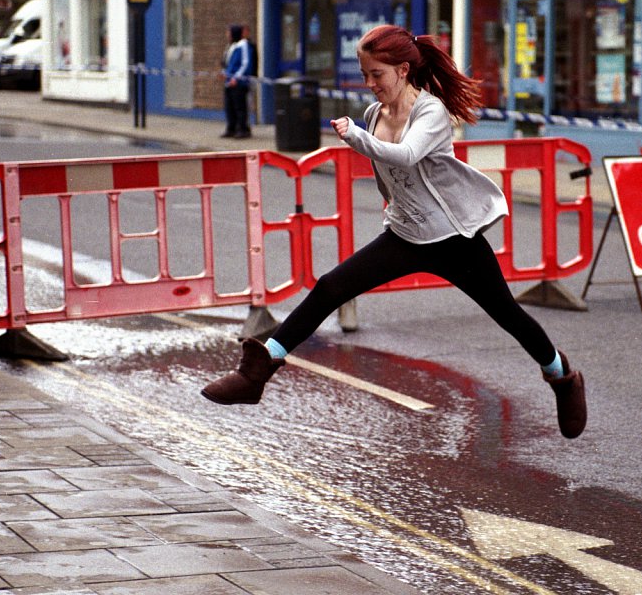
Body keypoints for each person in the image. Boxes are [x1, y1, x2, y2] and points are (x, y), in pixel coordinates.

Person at [201, 24, 587, 439]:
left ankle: (563, 377)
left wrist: (356, 139)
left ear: (403, 70)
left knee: (507, 314)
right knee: (331, 286)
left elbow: (404, 156)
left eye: (377, 75)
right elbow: (389, 177)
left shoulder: (431, 112)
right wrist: (391, 201)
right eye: (365, 75)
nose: (369, 85)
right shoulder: (373, 114)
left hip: (453, 240)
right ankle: (257, 371)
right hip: (405, 235)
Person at [221, 24, 252, 139]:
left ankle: (243, 129)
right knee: (229, 107)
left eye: (229, 32)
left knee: (240, 107)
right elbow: (228, 62)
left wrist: (236, 78)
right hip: (229, 81)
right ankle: (231, 128)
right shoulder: (232, 46)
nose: (227, 35)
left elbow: (245, 63)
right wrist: (224, 73)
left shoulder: (243, 45)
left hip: (238, 82)